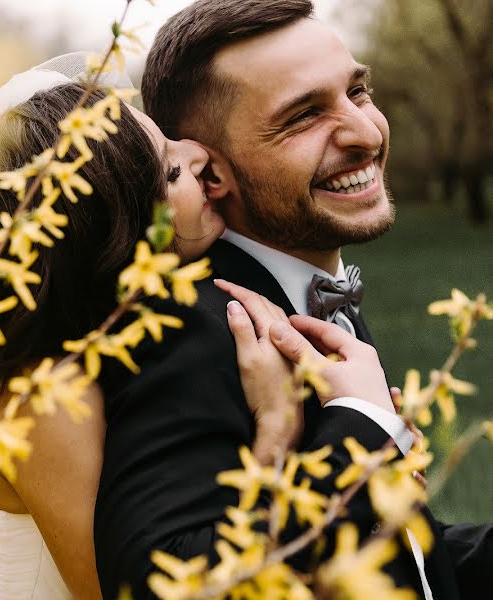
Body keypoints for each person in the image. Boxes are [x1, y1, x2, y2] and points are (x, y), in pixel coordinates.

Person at [0, 52, 430, 599]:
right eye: (171, 168)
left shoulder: (136, 338)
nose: (200, 154)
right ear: (123, 227)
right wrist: (280, 430)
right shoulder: (46, 393)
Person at [94, 1, 492, 599]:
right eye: (303, 117)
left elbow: (400, 553)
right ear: (209, 172)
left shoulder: (305, 295)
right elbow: (168, 583)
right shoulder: (192, 329)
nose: (366, 133)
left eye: (358, 92)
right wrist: (362, 426)